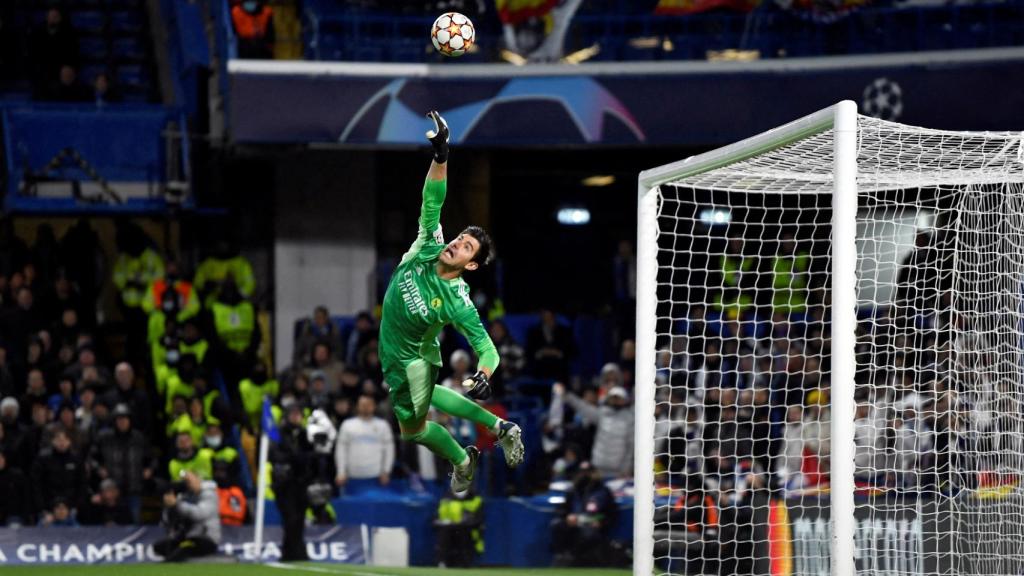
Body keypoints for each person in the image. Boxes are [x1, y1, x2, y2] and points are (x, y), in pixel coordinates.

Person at [377, 111, 524, 496]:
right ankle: (498, 430)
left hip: (410, 358)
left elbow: (486, 347)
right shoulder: (428, 243)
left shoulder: (458, 300)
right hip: (403, 353)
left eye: (466, 247)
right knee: (425, 403)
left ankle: (462, 460)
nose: (456, 243)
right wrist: (441, 157)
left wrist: (485, 374)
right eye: (459, 237)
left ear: (470, 265)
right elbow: (433, 198)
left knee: (414, 430)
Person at [552, 382, 634, 479]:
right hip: (598, 466)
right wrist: (567, 395)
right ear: (609, 399)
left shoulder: (630, 419)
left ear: (624, 400)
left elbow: (630, 446)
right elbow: (582, 407)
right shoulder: (602, 414)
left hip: (618, 470)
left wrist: (625, 469)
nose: (616, 401)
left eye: (619, 398)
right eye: (614, 398)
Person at [155, 470, 221, 562]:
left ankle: (168, 565)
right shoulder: (185, 496)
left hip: (206, 537)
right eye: (185, 481)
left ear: (198, 478)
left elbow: (199, 514)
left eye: (189, 480)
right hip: (187, 536)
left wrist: (177, 504)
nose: (187, 484)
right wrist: (170, 506)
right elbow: (169, 519)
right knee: (161, 546)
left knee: (186, 548)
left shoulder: (209, 494)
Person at [334, 394, 394, 491]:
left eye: (369, 404)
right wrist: (341, 472)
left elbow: (389, 450)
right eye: (363, 404)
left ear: (374, 406)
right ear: (358, 406)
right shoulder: (347, 425)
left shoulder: (383, 426)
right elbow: (341, 450)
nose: (366, 407)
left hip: (376, 476)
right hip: (352, 475)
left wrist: (386, 471)